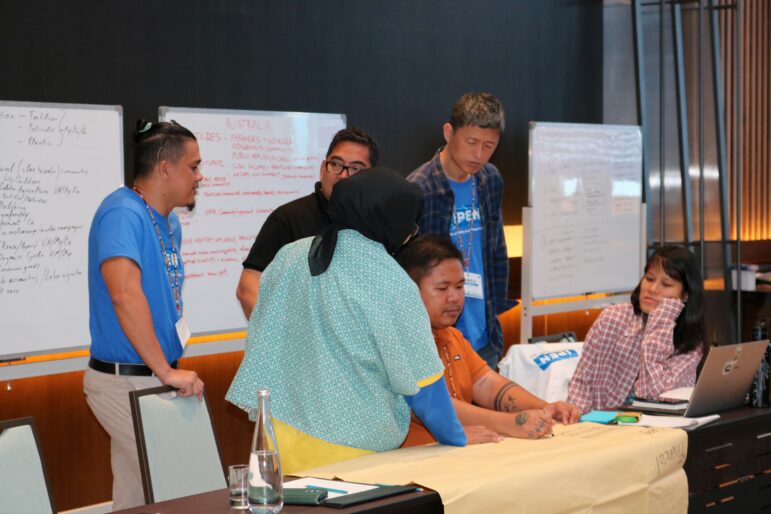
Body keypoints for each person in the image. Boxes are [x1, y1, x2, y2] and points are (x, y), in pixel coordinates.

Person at [227, 168, 498, 475]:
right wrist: (456, 436)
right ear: (389, 218)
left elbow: (266, 336)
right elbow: (424, 384)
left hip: (278, 439)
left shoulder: (289, 255)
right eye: (409, 220)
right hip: (354, 455)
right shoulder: (388, 277)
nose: (412, 230)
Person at [84, 119, 205, 510]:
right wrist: (166, 372)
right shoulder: (122, 212)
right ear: (165, 169)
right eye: (193, 166)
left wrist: (168, 371)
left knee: (136, 498)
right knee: (181, 484)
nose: (199, 176)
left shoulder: (168, 222)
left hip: (154, 376)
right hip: (127, 381)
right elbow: (124, 294)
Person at [397, 235, 581, 447]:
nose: (455, 297)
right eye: (442, 288)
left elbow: (488, 385)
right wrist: (510, 423)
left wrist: (546, 409)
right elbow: (433, 405)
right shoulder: (401, 342)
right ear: (409, 290)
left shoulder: (452, 336)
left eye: (459, 287)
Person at [408, 92, 510, 369]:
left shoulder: (490, 179)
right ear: (448, 132)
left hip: (483, 332)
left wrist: (496, 313)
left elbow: (497, 250)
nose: (479, 155)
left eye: (489, 146)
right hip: (435, 338)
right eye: (472, 142)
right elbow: (410, 274)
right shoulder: (420, 188)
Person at [236, 127, 379, 319]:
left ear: (372, 177)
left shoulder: (377, 225)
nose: (343, 175)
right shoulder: (288, 217)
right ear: (322, 169)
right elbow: (248, 287)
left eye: (355, 168)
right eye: (336, 164)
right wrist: (279, 337)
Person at [567, 246, 707, 412]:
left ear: (685, 296)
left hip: (656, 428)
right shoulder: (613, 317)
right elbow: (582, 383)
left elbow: (652, 396)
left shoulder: (690, 344)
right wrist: (580, 422)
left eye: (666, 284)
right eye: (649, 278)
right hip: (601, 426)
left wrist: (659, 323)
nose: (653, 289)